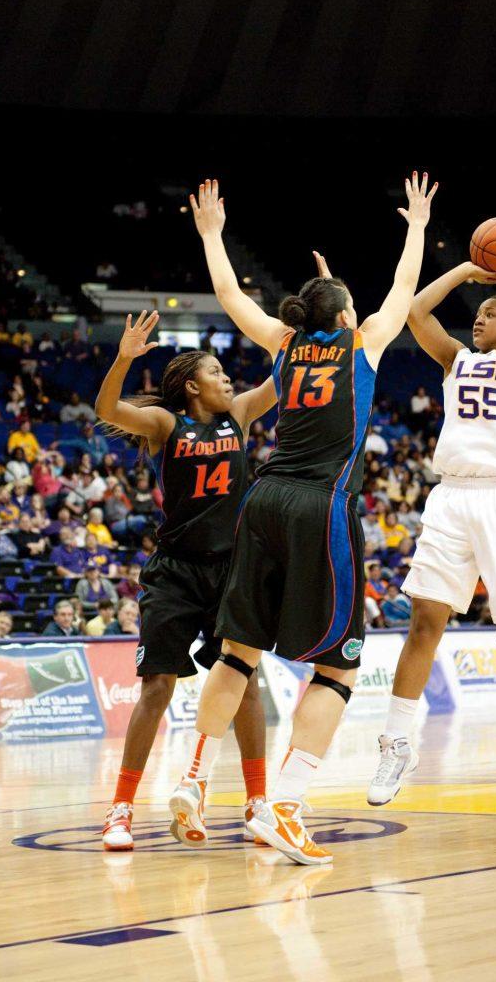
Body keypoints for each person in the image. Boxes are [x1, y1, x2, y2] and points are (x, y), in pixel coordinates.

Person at [168, 173, 434, 866]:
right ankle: (284, 806)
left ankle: (193, 780)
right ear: (347, 317)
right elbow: (404, 288)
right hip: (320, 507)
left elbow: (229, 295)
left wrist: (213, 236)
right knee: (340, 668)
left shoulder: (286, 345)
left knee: (237, 653)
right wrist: (416, 227)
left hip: (263, 500)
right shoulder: (364, 343)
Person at [367, 225, 496, 819]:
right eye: (478, 314)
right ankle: (397, 743)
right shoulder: (457, 360)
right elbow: (417, 311)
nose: (481, 319)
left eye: (491, 314)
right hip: (449, 497)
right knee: (425, 620)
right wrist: (468, 273)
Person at [94, 305, 277, 852]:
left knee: (246, 685)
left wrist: (313, 324)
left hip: (230, 571)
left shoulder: (240, 414)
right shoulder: (166, 425)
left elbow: (285, 376)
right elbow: (106, 408)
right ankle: (120, 810)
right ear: (193, 387)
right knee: (156, 688)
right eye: (217, 373)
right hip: (175, 571)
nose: (228, 379)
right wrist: (124, 360)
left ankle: (256, 803)